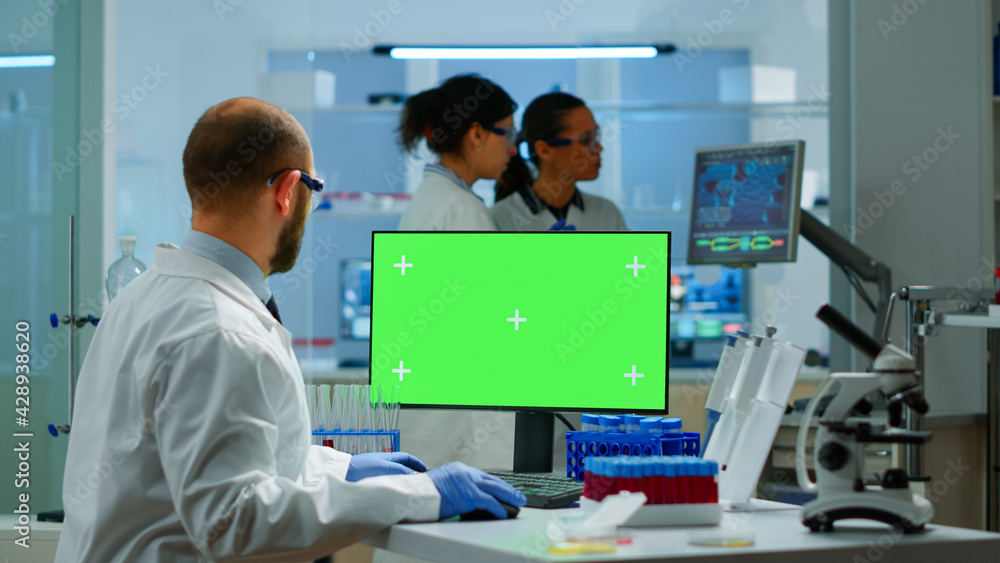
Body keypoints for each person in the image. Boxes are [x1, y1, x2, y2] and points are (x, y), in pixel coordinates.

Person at [54, 97, 524, 562]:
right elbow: (232, 520)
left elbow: (222, 461)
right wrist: (419, 495)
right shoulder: (219, 331)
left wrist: (343, 469)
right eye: (313, 190)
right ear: (287, 190)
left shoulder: (145, 293)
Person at [397, 74, 518, 230]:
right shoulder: (463, 210)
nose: (513, 149)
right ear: (477, 135)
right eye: (508, 134)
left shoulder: (435, 194)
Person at [493, 92, 627, 231]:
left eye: (596, 136)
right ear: (544, 150)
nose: (599, 148)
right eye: (585, 140)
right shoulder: (500, 218)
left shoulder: (608, 214)